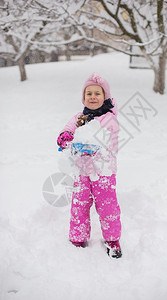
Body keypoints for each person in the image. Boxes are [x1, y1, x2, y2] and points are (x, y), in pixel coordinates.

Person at [57, 73, 122, 259]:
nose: (93, 97)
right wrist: (65, 136)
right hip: (81, 171)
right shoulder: (79, 116)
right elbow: (68, 129)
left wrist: (85, 144)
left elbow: (104, 142)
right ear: (84, 98)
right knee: (79, 205)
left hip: (103, 172)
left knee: (107, 206)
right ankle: (78, 238)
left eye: (97, 93)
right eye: (89, 94)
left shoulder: (110, 119)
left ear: (105, 97)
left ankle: (112, 239)